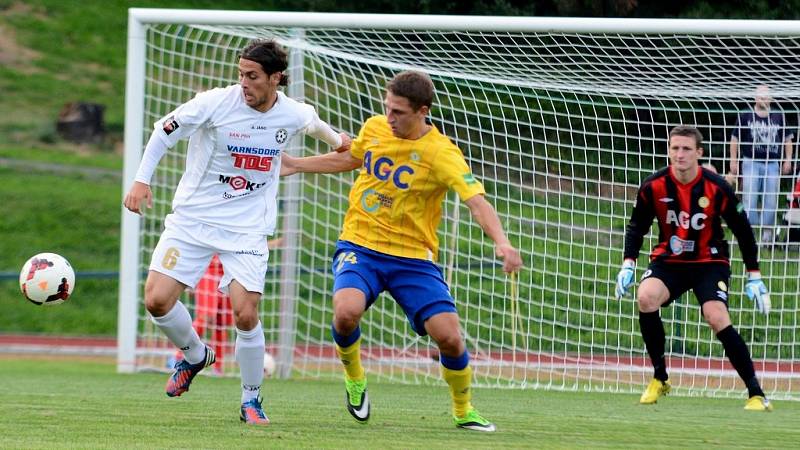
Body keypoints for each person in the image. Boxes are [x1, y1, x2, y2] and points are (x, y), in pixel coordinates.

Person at [123, 39, 351, 425]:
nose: (243, 83)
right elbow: (164, 131)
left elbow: (335, 140)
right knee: (156, 301)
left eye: (253, 76)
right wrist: (141, 181)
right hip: (193, 221)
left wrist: (347, 146)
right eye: (241, 74)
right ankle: (196, 355)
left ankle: (251, 401)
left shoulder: (295, 114)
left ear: (276, 78)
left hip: (247, 231)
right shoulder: (214, 103)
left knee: (245, 315)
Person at [282, 70, 523, 432]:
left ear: (423, 111)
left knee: (450, 338)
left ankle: (463, 409)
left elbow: (476, 201)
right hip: (360, 244)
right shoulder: (376, 128)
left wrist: (502, 243)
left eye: (398, 112)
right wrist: (296, 165)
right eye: (387, 108)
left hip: (412, 258)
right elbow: (352, 158)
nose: (389, 118)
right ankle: (355, 379)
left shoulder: (441, 153)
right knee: (346, 312)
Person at [616, 125, 773, 411]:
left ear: (699, 153)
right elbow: (637, 227)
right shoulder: (653, 186)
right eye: (675, 148)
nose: (680, 154)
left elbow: (743, 230)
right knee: (646, 297)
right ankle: (660, 377)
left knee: (715, 315)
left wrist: (755, 276)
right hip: (669, 262)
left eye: (687, 149)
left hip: (709, 262)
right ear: (668, 151)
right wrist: (628, 264)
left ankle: (756, 393)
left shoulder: (717, 187)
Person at [169, 237, 284, 375]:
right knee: (207, 317)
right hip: (208, 272)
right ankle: (177, 356)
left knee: (221, 323)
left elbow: (247, 242)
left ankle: (217, 368)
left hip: (230, 273)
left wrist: (272, 244)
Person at [729, 84, 794, 245]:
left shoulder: (779, 116)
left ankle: (767, 236)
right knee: (749, 199)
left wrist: (788, 160)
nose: (762, 99)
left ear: (771, 98)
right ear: (755, 97)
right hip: (750, 162)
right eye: (759, 96)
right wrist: (733, 160)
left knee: (771, 201)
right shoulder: (745, 115)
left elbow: (788, 140)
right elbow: (734, 139)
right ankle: (746, 233)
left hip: (772, 164)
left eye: (765, 96)